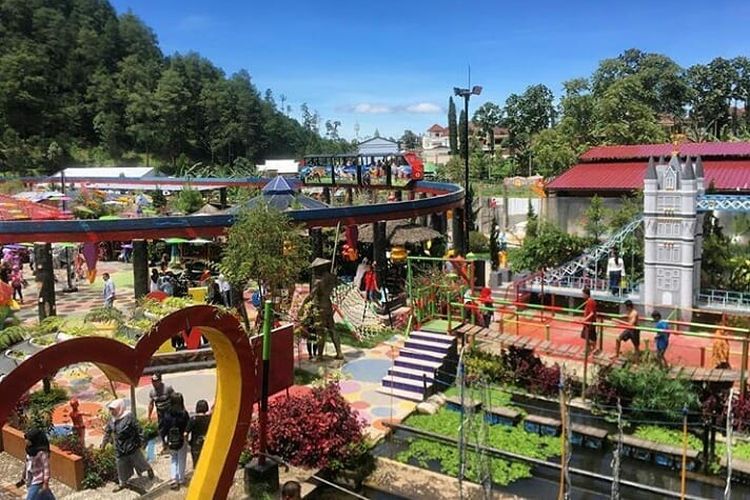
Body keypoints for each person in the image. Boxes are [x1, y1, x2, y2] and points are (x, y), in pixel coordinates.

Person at [102, 399, 154, 492]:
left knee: (140, 461)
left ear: (119, 408)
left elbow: (139, 429)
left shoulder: (129, 417)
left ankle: (148, 469)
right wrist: (103, 444)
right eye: (111, 410)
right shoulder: (112, 419)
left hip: (131, 445)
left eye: (113, 409)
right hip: (119, 447)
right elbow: (107, 432)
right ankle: (122, 483)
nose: (112, 412)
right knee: (121, 465)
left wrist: (142, 441)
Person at [159, 393, 189, 490]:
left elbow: (163, 429)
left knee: (174, 459)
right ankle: (181, 479)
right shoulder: (184, 414)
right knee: (181, 459)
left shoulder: (167, 414)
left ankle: (173, 478)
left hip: (171, 440)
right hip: (181, 439)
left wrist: (164, 441)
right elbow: (187, 427)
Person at [18, 428, 55, 500]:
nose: (26, 441)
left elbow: (46, 468)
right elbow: (27, 463)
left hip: (38, 480)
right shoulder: (29, 450)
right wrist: (23, 475)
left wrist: (46, 483)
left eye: (28, 439)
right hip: (30, 478)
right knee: (46, 496)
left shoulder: (42, 453)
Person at [147, 373, 175, 453]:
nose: (154, 383)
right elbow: (151, 404)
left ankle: (170, 443)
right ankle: (164, 444)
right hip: (160, 413)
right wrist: (149, 415)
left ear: (160, 380)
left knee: (170, 427)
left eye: (156, 381)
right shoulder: (152, 392)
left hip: (169, 411)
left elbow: (175, 398)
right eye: (153, 381)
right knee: (161, 429)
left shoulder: (168, 388)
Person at [187, 399, 211, 468]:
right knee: (207, 462)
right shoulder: (210, 418)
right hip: (208, 442)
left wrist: (188, 442)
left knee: (197, 464)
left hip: (195, 444)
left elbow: (185, 433)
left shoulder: (193, 419)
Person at [580, 287, 598, 354]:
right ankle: (589, 348)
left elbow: (592, 313)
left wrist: (584, 319)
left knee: (591, 337)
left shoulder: (590, 302)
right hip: (587, 322)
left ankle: (593, 348)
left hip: (590, 322)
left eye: (583, 294)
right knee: (586, 336)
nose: (582, 295)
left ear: (586, 294)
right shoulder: (589, 301)